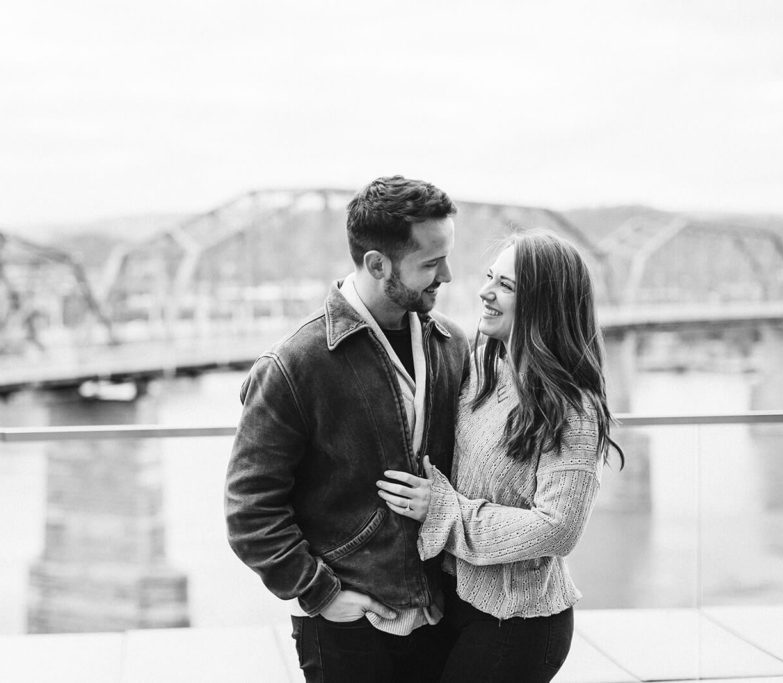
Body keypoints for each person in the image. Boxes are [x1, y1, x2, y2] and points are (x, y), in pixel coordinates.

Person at [225, 175, 470, 682]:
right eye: (430, 263)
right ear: (378, 264)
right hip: (350, 632)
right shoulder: (295, 363)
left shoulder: (452, 344)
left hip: (446, 613)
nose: (446, 273)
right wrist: (321, 593)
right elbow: (250, 509)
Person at [377, 230, 624, 683]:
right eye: (491, 277)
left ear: (545, 303)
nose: (484, 292)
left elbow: (558, 529)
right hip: (455, 600)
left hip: (519, 623)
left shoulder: (572, 407)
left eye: (506, 286)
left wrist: (443, 511)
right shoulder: (482, 369)